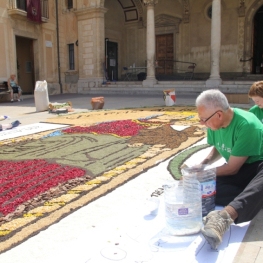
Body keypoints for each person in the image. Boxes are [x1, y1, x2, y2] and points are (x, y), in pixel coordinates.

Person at [195, 89, 263, 250]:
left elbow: (232, 169)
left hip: (256, 167)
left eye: (204, 120)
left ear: (218, 115)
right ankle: (254, 197)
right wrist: (203, 163)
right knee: (202, 189)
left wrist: (203, 174)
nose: (202, 124)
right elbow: (218, 148)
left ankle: (224, 218)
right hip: (240, 170)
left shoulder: (247, 125)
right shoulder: (216, 124)